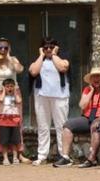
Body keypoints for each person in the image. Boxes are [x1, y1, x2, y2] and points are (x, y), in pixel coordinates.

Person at [54, 67, 100, 167]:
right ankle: (65, 157)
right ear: (90, 80)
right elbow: (82, 105)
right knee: (67, 125)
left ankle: (92, 158)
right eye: (94, 77)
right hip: (87, 117)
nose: (96, 79)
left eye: (98, 77)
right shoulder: (87, 89)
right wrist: (91, 91)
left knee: (95, 125)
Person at [28, 37, 71, 166]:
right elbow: (33, 71)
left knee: (61, 126)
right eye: (45, 47)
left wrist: (53, 55)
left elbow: (62, 68)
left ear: (56, 48)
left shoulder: (62, 60)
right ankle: (42, 155)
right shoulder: (38, 61)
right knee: (43, 126)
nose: (48, 49)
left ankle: (64, 154)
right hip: (42, 96)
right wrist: (41, 56)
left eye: (51, 47)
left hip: (60, 96)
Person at [0, 38, 24, 165]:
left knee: (15, 123)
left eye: (5, 48)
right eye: (0, 48)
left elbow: (19, 70)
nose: (3, 50)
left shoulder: (13, 60)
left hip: (12, 93)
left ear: (9, 48)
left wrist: (9, 58)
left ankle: (18, 154)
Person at [0, 78, 24, 165]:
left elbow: (19, 101)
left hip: (14, 120)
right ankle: (5, 158)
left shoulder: (15, 96)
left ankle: (15, 157)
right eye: (7, 86)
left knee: (14, 141)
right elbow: (0, 100)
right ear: (4, 87)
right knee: (4, 141)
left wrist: (15, 91)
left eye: (11, 86)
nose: (10, 88)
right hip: (4, 120)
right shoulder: (1, 95)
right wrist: (4, 91)